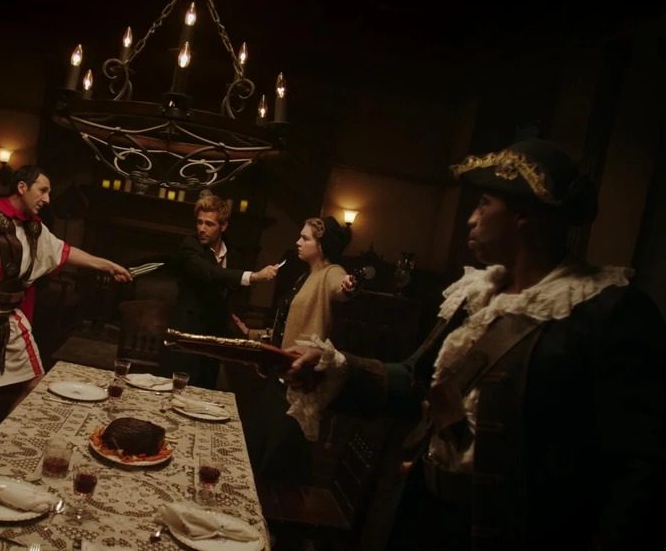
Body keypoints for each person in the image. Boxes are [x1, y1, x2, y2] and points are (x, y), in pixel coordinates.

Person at [283, 139, 666, 550]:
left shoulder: (607, 311)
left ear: (524, 215)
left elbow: (640, 467)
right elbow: (415, 380)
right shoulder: (476, 295)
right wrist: (334, 369)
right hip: (428, 515)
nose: (471, 219)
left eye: (484, 205)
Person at [0, 164, 131, 416]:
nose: (47, 199)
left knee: (35, 383)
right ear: (22, 187)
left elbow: (64, 252)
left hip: (7, 316)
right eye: (43, 190)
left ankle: (2, 437)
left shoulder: (33, 227)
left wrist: (108, 265)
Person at [232, 216, 353, 479]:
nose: (298, 242)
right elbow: (288, 327)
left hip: (298, 380)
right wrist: (252, 334)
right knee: (256, 445)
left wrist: (349, 286)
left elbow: (341, 286)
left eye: (305, 238)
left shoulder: (331, 272)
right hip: (280, 375)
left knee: (278, 458)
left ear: (321, 246)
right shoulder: (305, 275)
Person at [165, 192, 280, 388]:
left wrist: (234, 321)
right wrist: (254, 276)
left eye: (209, 224)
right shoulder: (189, 245)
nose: (202, 229)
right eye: (199, 222)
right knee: (179, 387)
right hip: (187, 332)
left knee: (206, 389)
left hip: (215, 335)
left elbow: (228, 290)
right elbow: (210, 273)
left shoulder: (232, 252)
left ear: (223, 226)